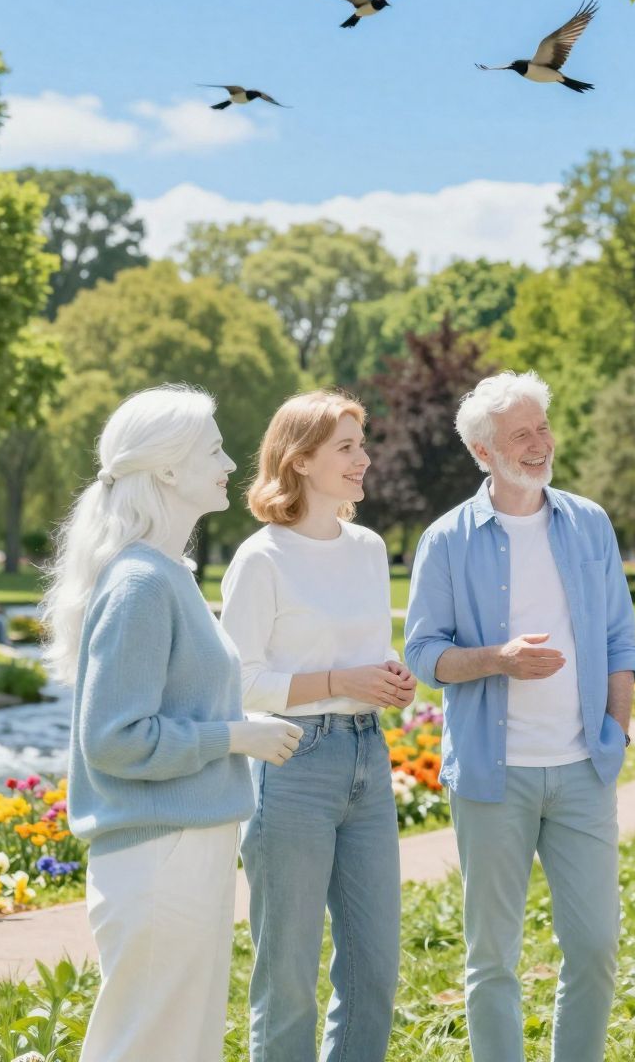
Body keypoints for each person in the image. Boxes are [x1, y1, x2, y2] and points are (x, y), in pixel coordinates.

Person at [46, 383, 304, 1062]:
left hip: (184, 848)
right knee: (147, 1045)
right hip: (161, 856)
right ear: (166, 468)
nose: (230, 463)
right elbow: (113, 739)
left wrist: (235, 724)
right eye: (213, 449)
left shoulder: (166, 573)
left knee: (179, 1045)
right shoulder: (141, 583)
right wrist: (236, 736)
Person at [403, 371, 635, 1062]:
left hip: (582, 769)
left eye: (543, 428)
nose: (540, 444)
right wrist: (497, 659)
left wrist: (616, 733)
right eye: (521, 435)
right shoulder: (447, 540)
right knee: (493, 957)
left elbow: (620, 640)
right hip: (492, 776)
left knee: (594, 946)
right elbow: (423, 655)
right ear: (484, 452)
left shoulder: (589, 523)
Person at [221, 390, 416, 1061]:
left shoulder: (368, 548)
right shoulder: (262, 558)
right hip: (292, 765)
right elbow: (238, 683)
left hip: (368, 758)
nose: (364, 459)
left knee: (373, 970)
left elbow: (363, 652)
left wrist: (388, 678)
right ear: (300, 460)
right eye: (347, 447)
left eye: (363, 445)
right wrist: (340, 682)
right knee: (288, 977)